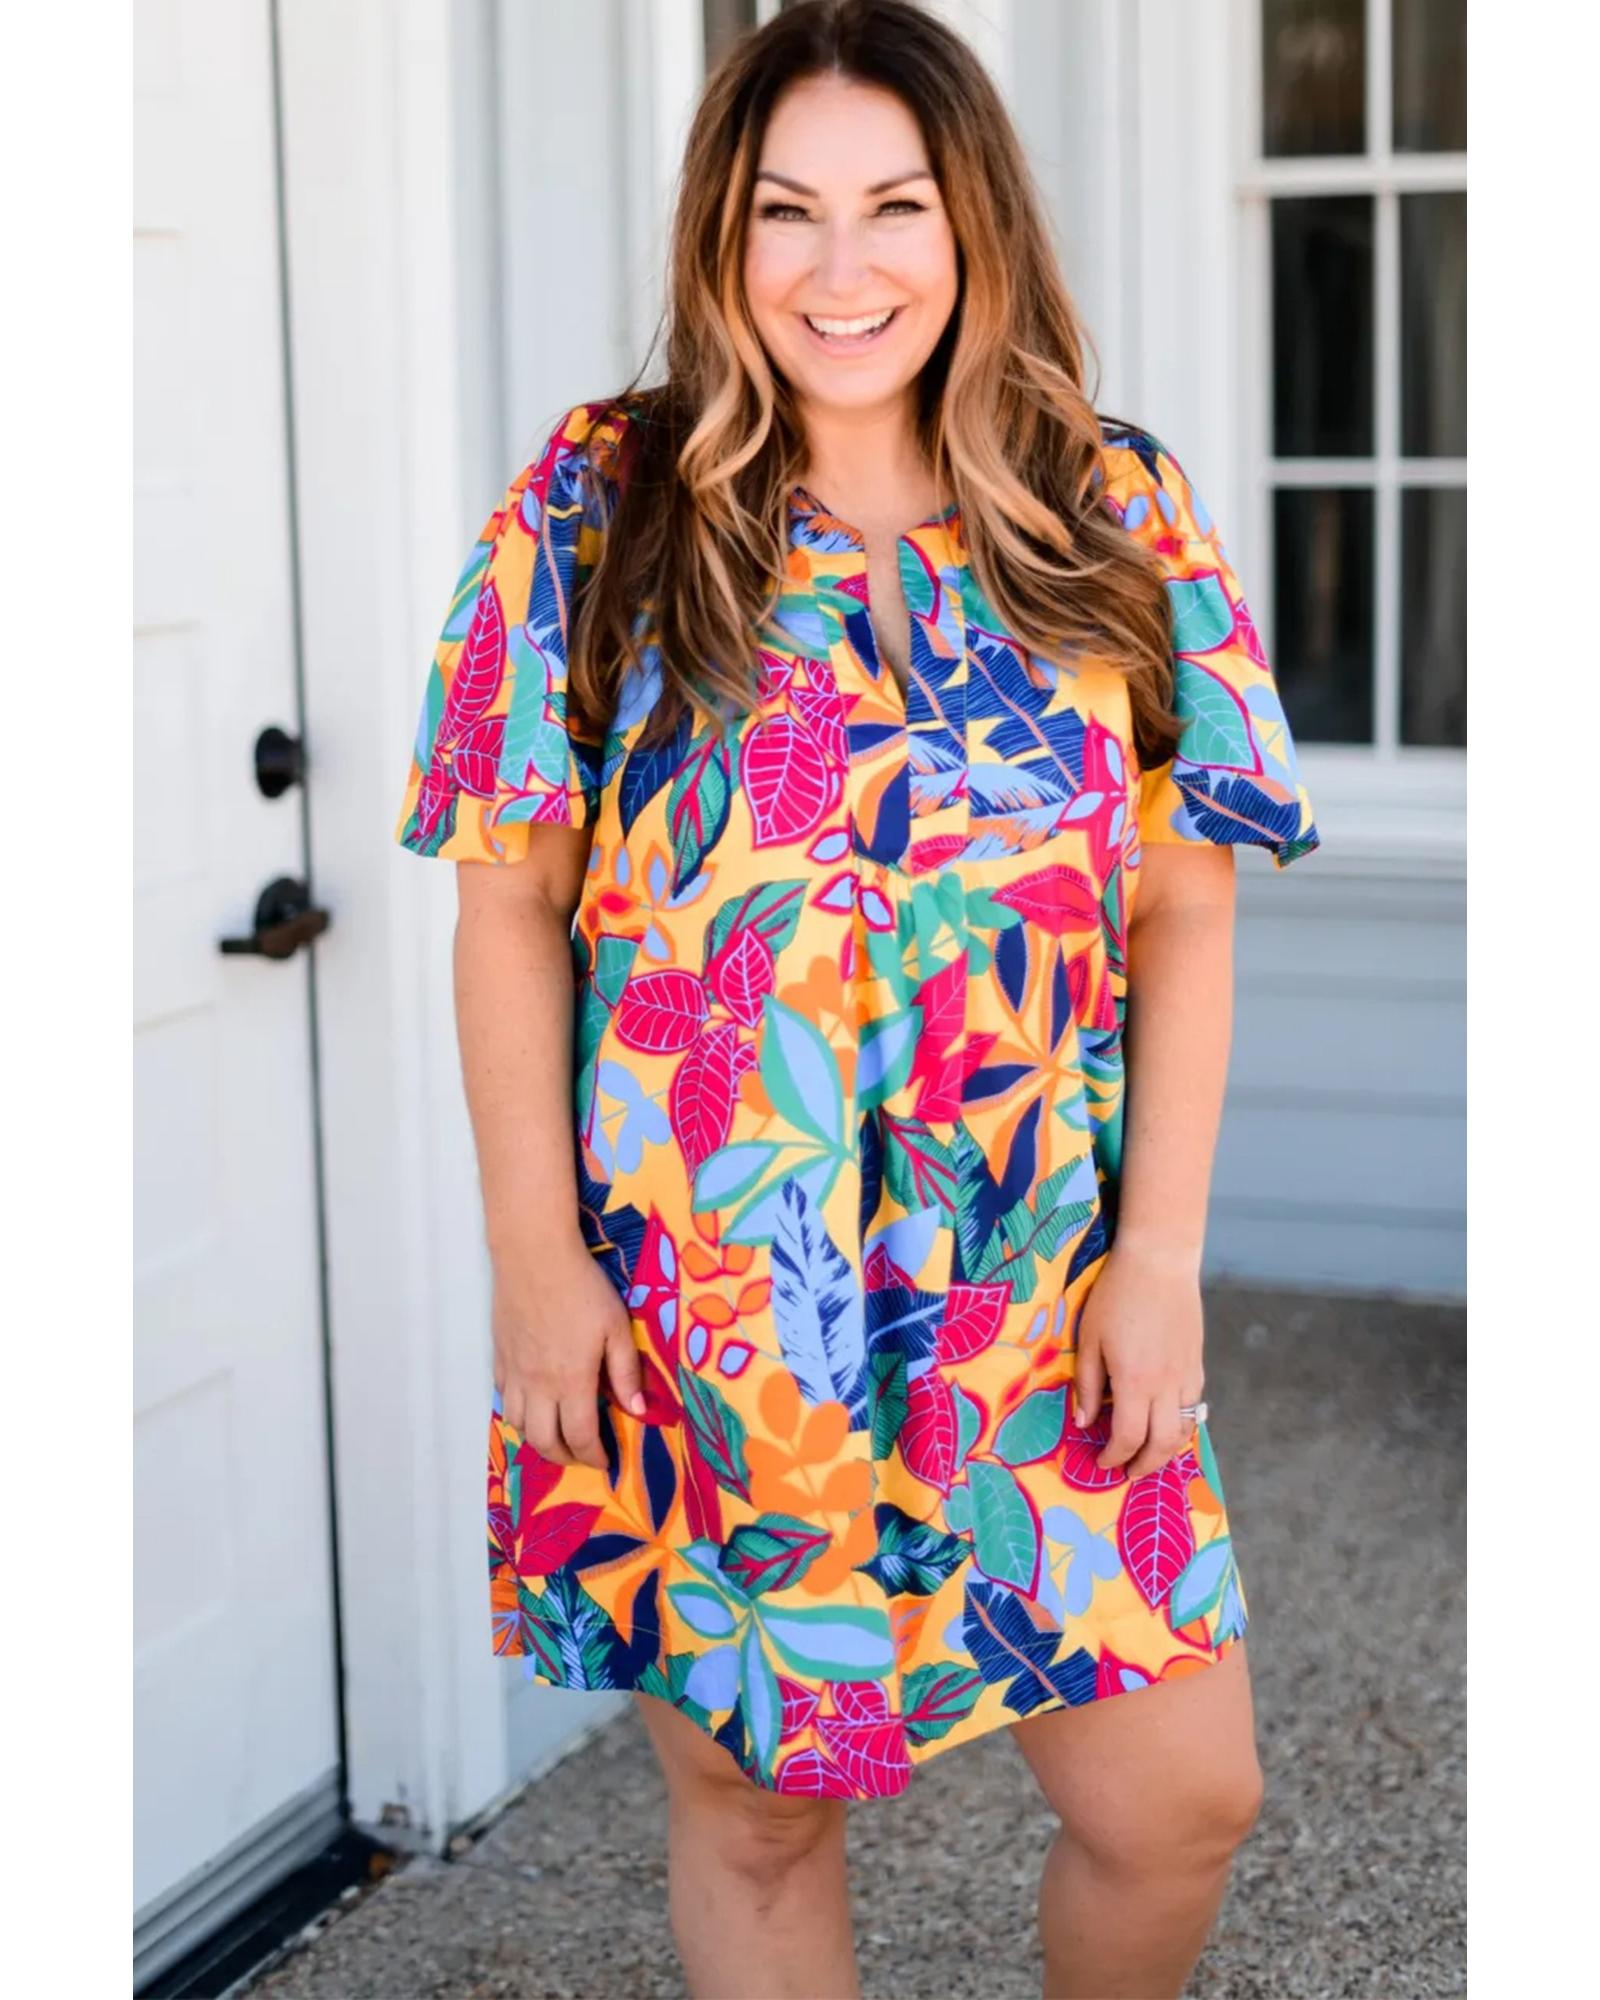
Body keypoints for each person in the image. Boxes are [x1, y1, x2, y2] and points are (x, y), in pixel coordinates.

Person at [393, 3, 1320, 1995]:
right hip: (710, 1297)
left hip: (1038, 1289)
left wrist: (1160, 1258)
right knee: (755, 1813)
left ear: (969, 220)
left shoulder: (1110, 509)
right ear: (718, 237)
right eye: (783, 211)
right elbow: (507, 908)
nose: (840, 268)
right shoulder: (596, 514)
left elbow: (1181, 907)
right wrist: (535, 1265)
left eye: (892, 206)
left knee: (1178, 1800)